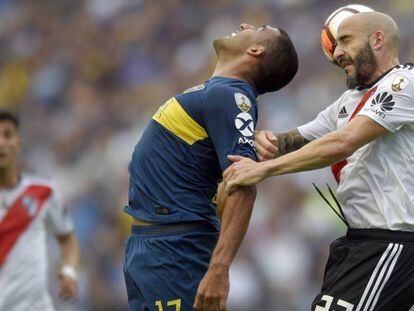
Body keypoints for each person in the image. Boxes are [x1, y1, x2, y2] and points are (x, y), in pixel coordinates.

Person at [224, 12, 414, 310]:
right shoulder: (349, 101)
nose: (337, 53)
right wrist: (266, 139)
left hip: (390, 243)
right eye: (335, 44)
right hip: (360, 243)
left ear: (378, 39)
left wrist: (263, 169)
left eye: (346, 41)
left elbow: (344, 141)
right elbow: (293, 140)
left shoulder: (405, 82)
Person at [123, 23, 298, 311]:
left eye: (259, 28)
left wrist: (219, 270)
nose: (244, 25)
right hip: (149, 245)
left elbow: (244, 185)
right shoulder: (217, 94)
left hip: (175, 250)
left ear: (255, 50)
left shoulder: (230, 95)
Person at [0, 112, 80, 310]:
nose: (1, 142)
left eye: (8, 135)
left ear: (18, 142)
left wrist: (68, 271)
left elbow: (67, 239)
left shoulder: (44, 192)